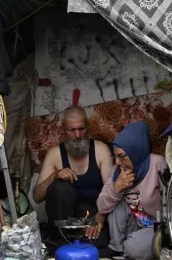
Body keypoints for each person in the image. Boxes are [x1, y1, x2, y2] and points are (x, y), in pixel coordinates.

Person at [33, 106, 113, 248]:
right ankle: (60, 241)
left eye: (81, 129)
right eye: (72, 130)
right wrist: (55, 175)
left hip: (92, 217)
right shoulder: (55, 154)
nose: (77, 135)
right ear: (63, 129)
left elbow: (112, 191)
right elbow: (37, 197)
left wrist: (100, 218)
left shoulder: (101, 150)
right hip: (64, 221)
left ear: (88, 127)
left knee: (98, 246)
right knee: (60, 187)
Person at [96, 121, 166, 260]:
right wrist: (116, 188)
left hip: (156, 226)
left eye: (121, 156)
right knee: (117, 201)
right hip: (132, 226)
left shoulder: (157, 164)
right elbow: (101, 206)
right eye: (115, 156)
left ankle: (128, 248)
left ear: (136, 150)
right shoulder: (117, 171)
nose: (117, 162)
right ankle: (115, 247)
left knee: (133, 249)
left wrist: (167, 231)